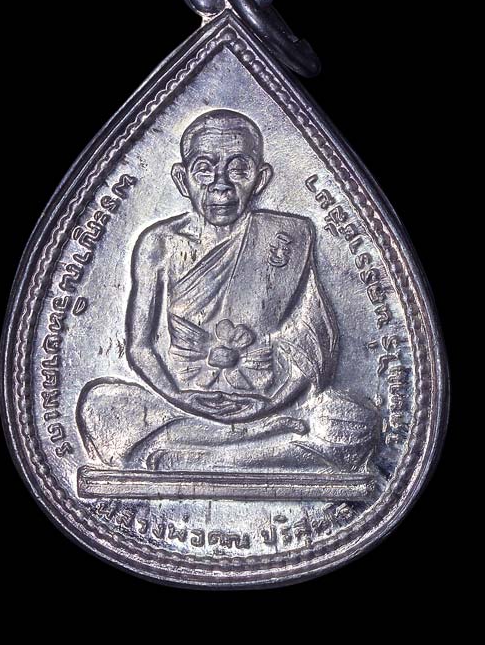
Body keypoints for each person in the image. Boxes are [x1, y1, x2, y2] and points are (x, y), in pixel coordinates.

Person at [77, 110, 377, 472]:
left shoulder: (289, 237)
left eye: (238, 169)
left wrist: (271, 404)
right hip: (181, 404)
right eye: (204, 169)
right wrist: (182, 397)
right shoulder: (159, 243)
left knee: (354, 420)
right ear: (182, 179)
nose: (221, 185)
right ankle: (256, 447)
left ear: (261, 179)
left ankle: (196, 454)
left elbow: (312, 342)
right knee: (101, 405)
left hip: (271, 404)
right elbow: (140, 346)